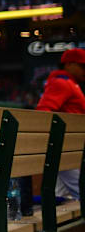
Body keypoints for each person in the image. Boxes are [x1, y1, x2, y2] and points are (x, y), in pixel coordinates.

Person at [35, 47, 85, 199]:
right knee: (81, 190)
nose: (84, 70)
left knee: (58, 196)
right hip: (65, 147)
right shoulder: (61, 82)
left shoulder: (70, 83)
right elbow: (44, 111)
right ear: (69, 64)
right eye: (82, 66)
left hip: (68, 146)